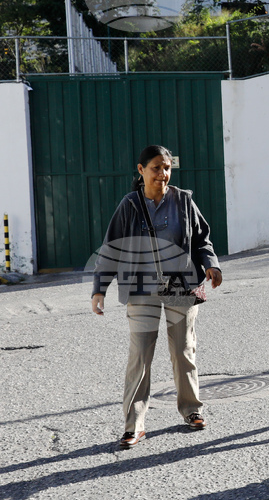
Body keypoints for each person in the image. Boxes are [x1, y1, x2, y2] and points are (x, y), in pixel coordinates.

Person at [91, 145, 223, 448]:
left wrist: (211, 265)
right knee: (140, 356)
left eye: (166, 168)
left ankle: (192, 410)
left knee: (182, 350)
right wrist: (100, 287)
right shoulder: (130, 205)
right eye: (155, 168)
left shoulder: (184, 201)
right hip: (140, 286)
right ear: (141, 171)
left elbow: (202, 239)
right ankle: (134, 424)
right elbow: (111, 248)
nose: (162, 174)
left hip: (180, 283)